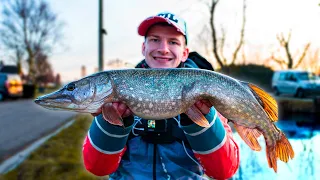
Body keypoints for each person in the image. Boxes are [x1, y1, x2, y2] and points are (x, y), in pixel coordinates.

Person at [82, 11, 239, 180]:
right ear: (144, 48)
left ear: (185, 53)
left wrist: (203, 120)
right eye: (155, 40)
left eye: (173, 42)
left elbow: (223, 171)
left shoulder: (207, 90)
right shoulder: (121, 87)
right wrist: (111, 124)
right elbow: (97, 167)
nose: (163, 49)